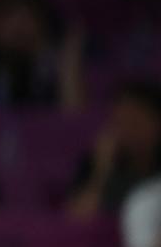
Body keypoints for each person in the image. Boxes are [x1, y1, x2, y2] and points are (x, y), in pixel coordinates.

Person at [67, 81, 161, 223]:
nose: (128, 131)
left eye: (135, 122)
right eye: (120, 122)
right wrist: (102, 170)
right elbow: (78, 217)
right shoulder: (98, 164)